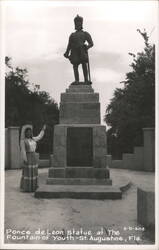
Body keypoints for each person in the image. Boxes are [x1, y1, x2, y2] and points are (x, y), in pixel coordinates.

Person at [64, 15, 93, 84]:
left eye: (79, 22)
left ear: (81, 23)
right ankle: (77, 80)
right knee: (75, 66)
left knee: (84, 64)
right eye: (76, 23)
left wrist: (87, 47)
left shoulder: (85, 34)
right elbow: (69, 45)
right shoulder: (72, 35)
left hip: (82, 50)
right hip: (74, 51)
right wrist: (67, 52)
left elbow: (91, 43)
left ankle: (86, 80)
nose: (77, 24)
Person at [20, 124, 46, 192]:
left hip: (33, 157)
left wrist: (43, 130)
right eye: (28, 132)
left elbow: (39, 137)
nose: (29, 133)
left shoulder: (33, 139)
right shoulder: (23, 141)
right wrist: (25, 159)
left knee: (33, 172)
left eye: (30, 132)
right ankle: (27, 188)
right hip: (28, 157)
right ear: (25, 133)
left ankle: (33, 187)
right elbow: (23, 151)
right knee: (28, 172)